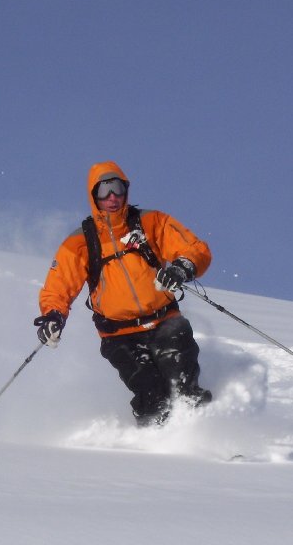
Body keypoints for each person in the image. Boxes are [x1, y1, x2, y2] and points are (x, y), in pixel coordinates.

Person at [36, 160, 214, 427]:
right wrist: (53, 316)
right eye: (103, 190)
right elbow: (58, 286)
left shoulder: (151, 222)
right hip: (120, 336)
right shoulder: (80, 242)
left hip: (165, 322)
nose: (112, 197)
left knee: (183, 386)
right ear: (93, 195)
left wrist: (181, 268)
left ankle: (210, 440)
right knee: (152, 395)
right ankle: (152, 450)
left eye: (117, 188)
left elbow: (194, 249)